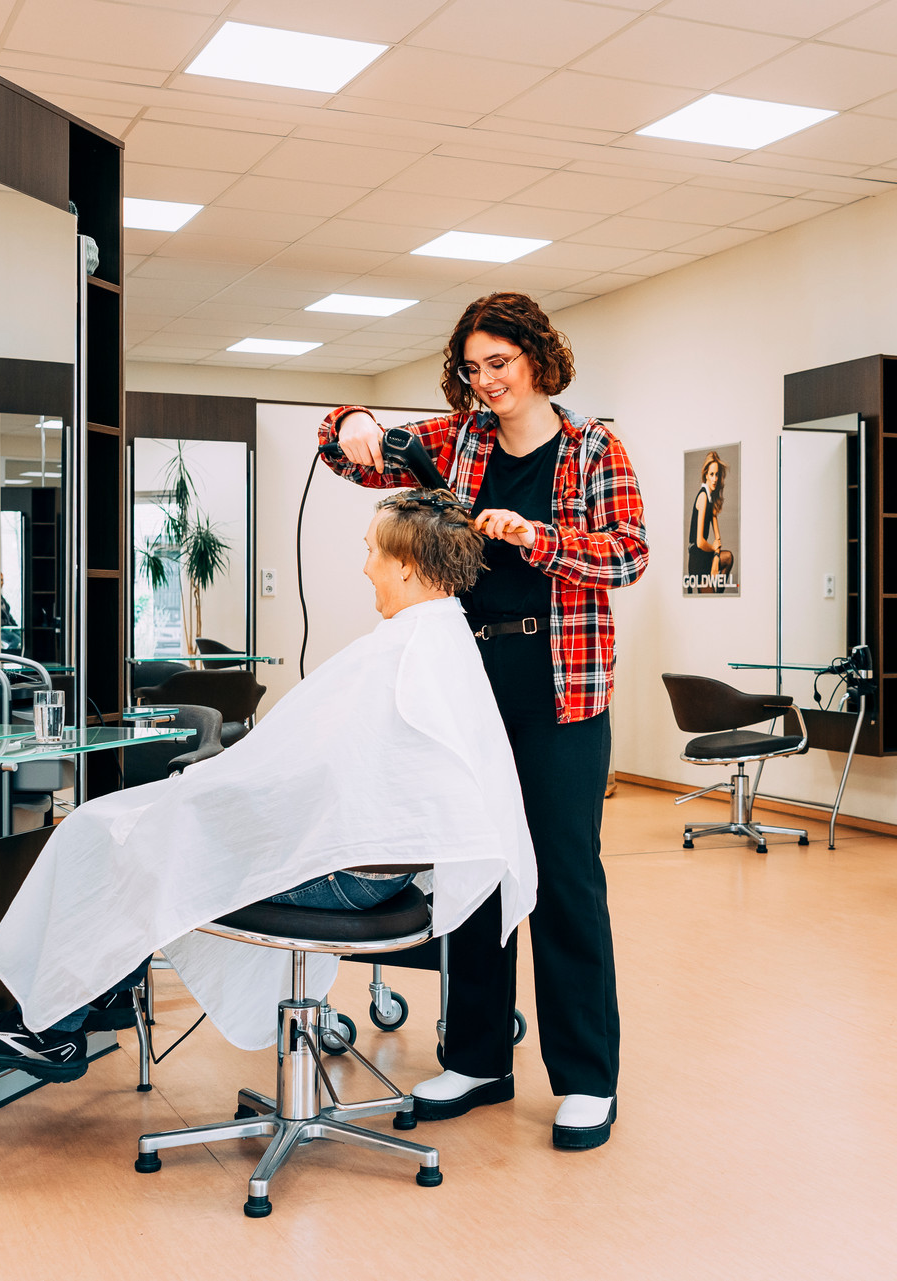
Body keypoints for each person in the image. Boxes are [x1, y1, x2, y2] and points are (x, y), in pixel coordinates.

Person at [0, 491, 536, 1082]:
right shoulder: (446, 639)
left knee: (107, 832)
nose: (365, 568)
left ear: (406, 563)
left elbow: (302, 767)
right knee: (151, 835)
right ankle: (94, 997)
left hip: (342, 875)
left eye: (370, 553)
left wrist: (210, 784)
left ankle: (49, 1029)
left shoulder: (400, 650)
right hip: (382, 874)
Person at [319, 291, 647, 1152]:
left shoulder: (590, 447)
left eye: (499, 363)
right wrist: (350, 418)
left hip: (562, 685)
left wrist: (539, 539)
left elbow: (630, 551)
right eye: (471, 368)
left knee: (563, 878)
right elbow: (351, 455)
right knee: (471, 866)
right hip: (466, 677)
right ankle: (476, 1059)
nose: (485, 381)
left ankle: (585, 1079)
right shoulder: (455, 438)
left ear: (538, 358)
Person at [685, 450, 727, 593]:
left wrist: (716, 558)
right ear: (705, 476)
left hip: (706, 556)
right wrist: (715, 552)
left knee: (728, 558)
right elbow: (700, 542)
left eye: (717, 475)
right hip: (697, 558)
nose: (715, 479)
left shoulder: (711, 498)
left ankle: (718, 589)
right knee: (710, 603)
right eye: (711, 474)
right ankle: (715, 590)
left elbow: (718, 539)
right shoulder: (703, 497)